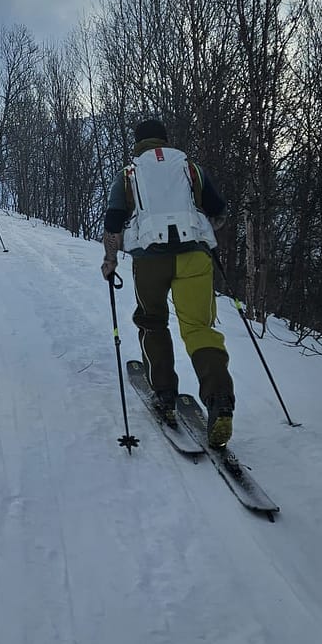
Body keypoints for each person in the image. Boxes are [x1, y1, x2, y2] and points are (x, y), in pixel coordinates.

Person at [100, 117, 235, 446]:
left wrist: (110, 259)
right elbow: (218, 210)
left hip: (150, 259)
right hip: (194, 256)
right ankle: (220, 400)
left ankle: (164, 396)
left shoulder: (129, 172)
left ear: (137, 143)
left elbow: (114, 220)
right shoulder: (189, 167)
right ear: (164, 139)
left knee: (152, 321)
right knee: (200, 328)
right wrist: (203, 234)